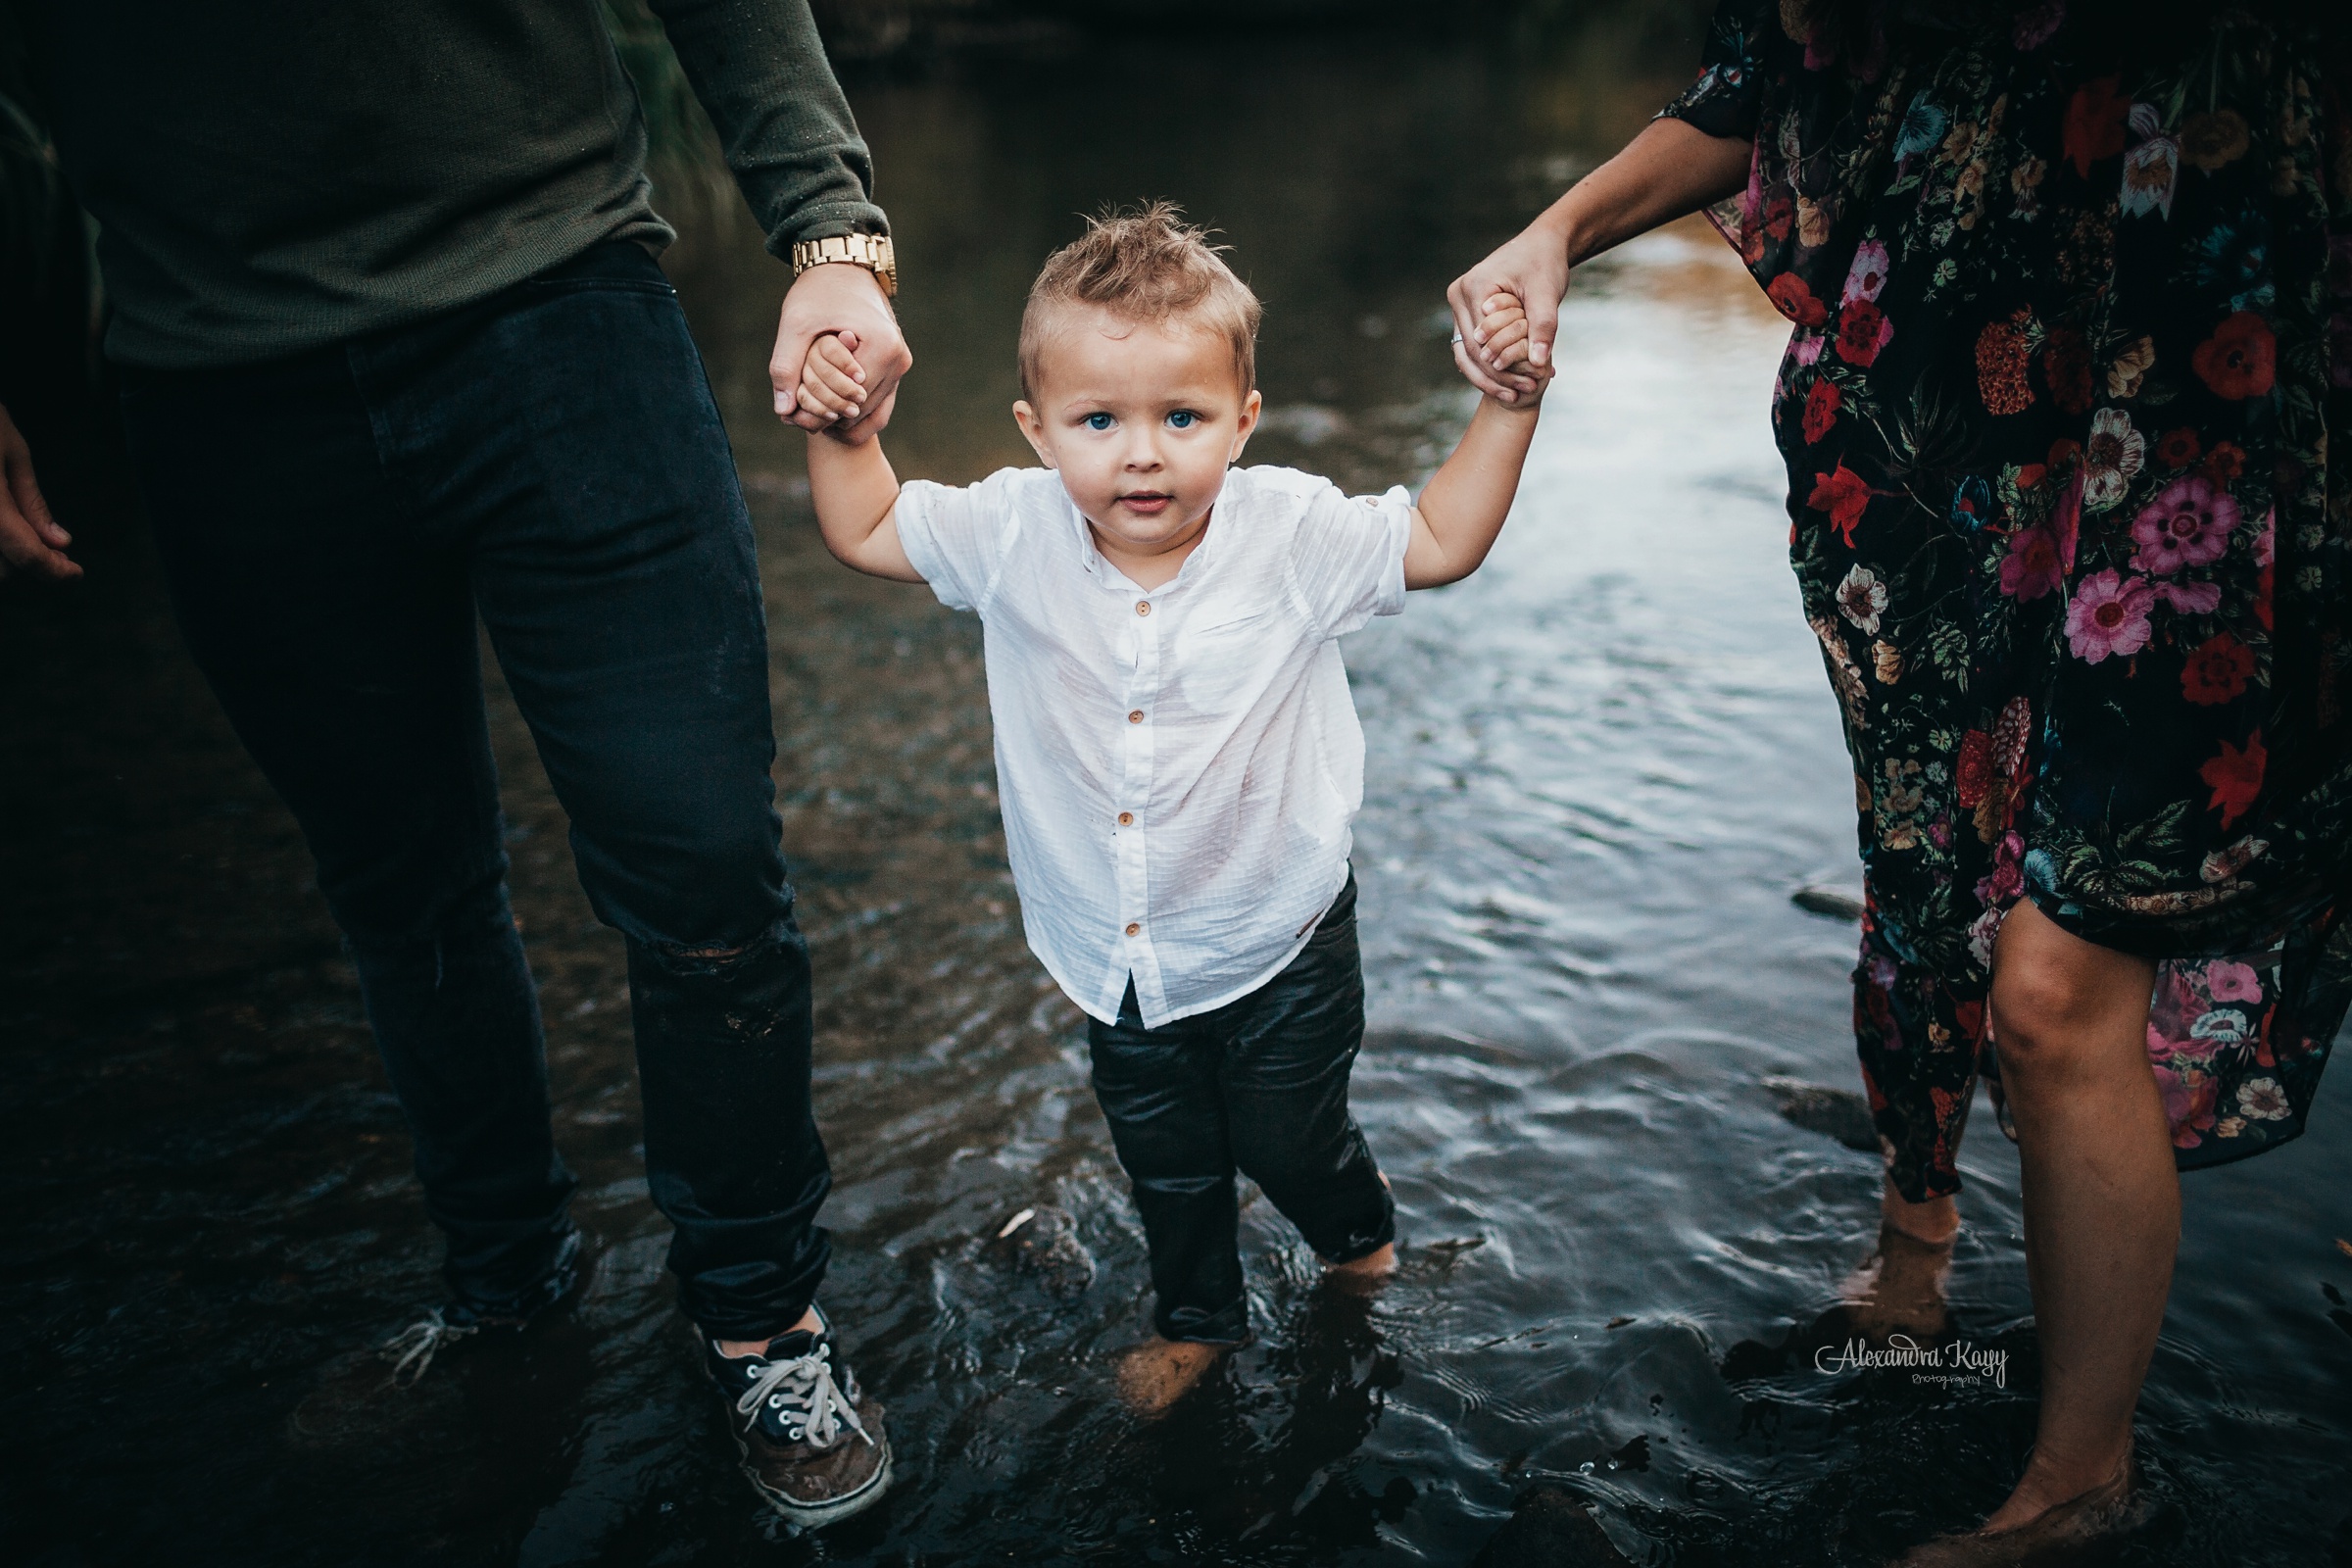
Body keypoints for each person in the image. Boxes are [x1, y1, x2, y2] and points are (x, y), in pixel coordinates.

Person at [1, 0, 916, 1528]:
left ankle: (765, 1323)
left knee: (700, 861)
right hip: (216, 382)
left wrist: (831, 227)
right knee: (399, 883)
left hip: (561, 311)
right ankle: (505, 1292)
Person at [1453, 2, 2349, 1559]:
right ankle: (1917, 1240)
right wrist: (1556, 231)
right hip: (1932, 425)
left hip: (2200, 423)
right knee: (1924, 865)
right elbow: (1771, 79)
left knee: (2062, 979)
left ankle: (2080, 1481)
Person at [793, 205, 1548, 1413]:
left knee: (1289, 1140)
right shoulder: (1008, 533)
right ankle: (1198, 1316)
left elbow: (1446, 536)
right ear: (1038, 432)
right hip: (1117, 952)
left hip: (1280, 937)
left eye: (1181, 418)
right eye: (1100, 422)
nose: (1141, 455)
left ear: (1242, 421)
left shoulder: (1290, 534)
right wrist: (845, 425)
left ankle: (1360, 1238)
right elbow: (868, 523)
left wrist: (1506, 403)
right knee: (1168, 1162)